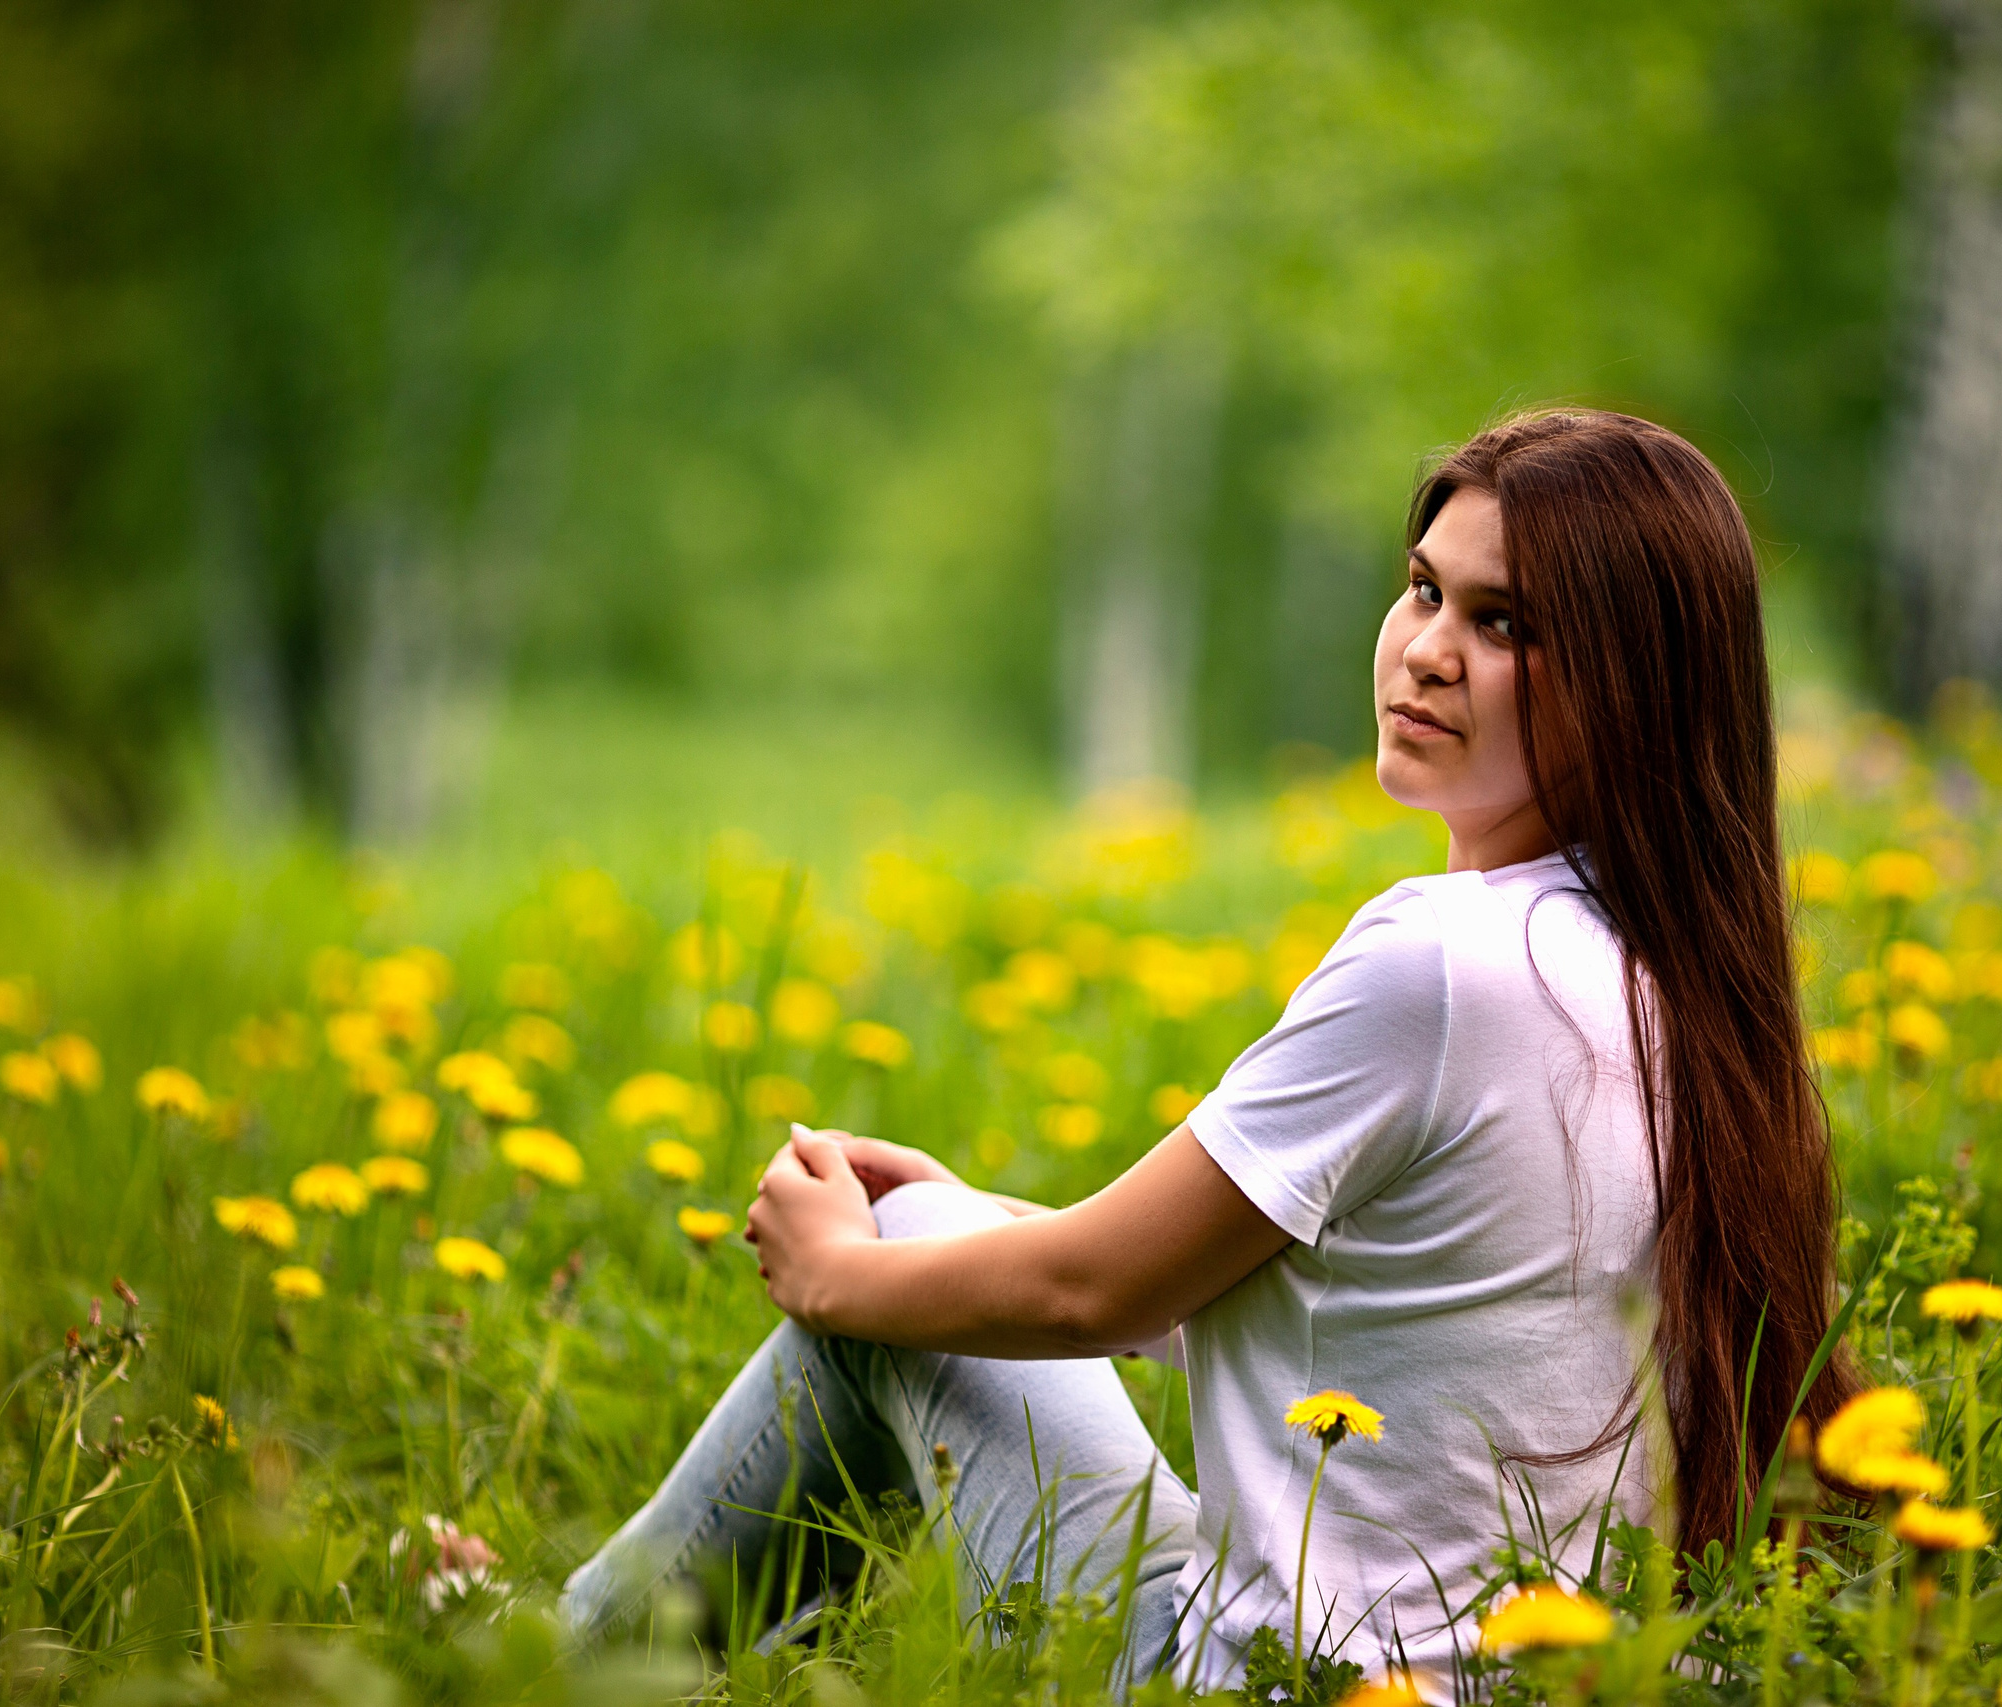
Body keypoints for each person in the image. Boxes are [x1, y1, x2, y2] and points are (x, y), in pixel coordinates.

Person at [559, 408, 1856, 1692]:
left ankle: (553, 1661)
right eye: (1421, 593)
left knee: (898, 1257)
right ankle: (589, 1644)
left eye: (1503, 623)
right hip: (1540, 1680)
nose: (1427, 653)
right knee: (941, 1235)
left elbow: (1092, 1296)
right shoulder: (1673, 983)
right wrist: (988, 1219)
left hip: (1266, 1680)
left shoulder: (1445, 960)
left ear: (1639, 682)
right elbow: (1377, 1325)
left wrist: (834, 1272)